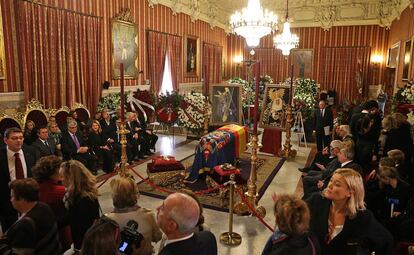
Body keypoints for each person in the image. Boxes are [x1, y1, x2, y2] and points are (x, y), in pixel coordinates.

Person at [306, 168, 393, 255]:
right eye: (331, 180)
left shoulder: (362, 217)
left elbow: (386, 240)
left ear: (350, 192)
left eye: (337, 184)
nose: (330, 185)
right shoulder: (316, 201)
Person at [1, 178, 60, 254]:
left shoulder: (25, 225)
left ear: (22, 199)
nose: (10, 200)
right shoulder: (44, 207)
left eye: (12, 196)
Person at [106, 177, 162, 255]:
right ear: (135, 193)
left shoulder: (108, 220)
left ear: (114, 195)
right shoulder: (148, 215)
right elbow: (157, 237)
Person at [0, 127, 38, 232]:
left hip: (28, 196)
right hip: (6, 199)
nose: (18, 141)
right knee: (10, 229)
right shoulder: (1, 155)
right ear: (5, 140)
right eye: (14, 138)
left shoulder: (31, 151)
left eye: (21, 138)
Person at [60, 160, 100, 253]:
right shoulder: (78, 193)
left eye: (62, 176)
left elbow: (81, 228)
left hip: (86, 245)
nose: (60, 179)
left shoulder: (84, 200)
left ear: (71, 178)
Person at [32, 155, 70, 250]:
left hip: (42, 234)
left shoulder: (34, 187)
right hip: (61, 233)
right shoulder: (61, 191)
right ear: (54, 171)